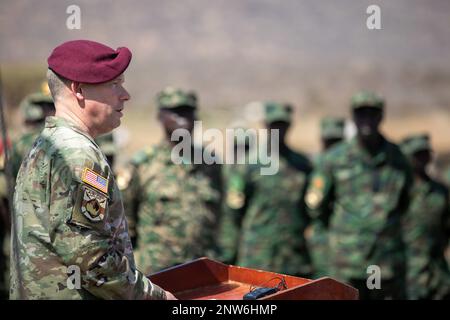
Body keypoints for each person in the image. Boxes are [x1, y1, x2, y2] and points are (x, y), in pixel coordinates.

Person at [10, 39, 175, 300]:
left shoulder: (47, 144)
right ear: (79, 90)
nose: (125, 94)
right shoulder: (79, 156)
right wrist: (155, 297)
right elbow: (92, 261)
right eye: (114, 83)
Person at [305, 91, 412, 299]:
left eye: (373, 114)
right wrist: (329, 251)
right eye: (361, 114)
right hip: (345, 265)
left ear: (382, 117)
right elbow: (316, 209)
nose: (367, 121)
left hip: (383, 264)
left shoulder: (398, 159)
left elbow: (406, 203)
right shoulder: (334, 159)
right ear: (353, 117)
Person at [122, 87, 223, 274]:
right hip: (158, 273)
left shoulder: (211, 164)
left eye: (188, 111)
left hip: (204, 270)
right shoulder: (143, 165)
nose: (182, 118)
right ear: (160, 117)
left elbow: (221, 216)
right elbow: (126, 222)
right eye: (174, 112)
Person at [228, 102, 312, 276]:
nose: (278, 130)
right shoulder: (249, 164)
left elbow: (310, 208)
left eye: (282, 125)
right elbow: (235, 210)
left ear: (290, 126)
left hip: (292, 255)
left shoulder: (302, 164)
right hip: (258, 255)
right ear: (265, 126)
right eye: (274, 125)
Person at [400, 134, 450, 299]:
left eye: (424, 153)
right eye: (416, 155)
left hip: (437, 275)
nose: (421, 159)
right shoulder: (398, 191)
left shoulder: (440, 192)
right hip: (405, 275)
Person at [305, 116, 346, 278]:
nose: (333, 147)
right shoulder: (320, 164)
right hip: (323, 235)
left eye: (336, 141)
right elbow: (314, 203)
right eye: (330, 141)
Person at [9, 92, 55, 179]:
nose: (46, 110)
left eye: (50, 107)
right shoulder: (22, 143)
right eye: (42, 106)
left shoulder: (21, 142)